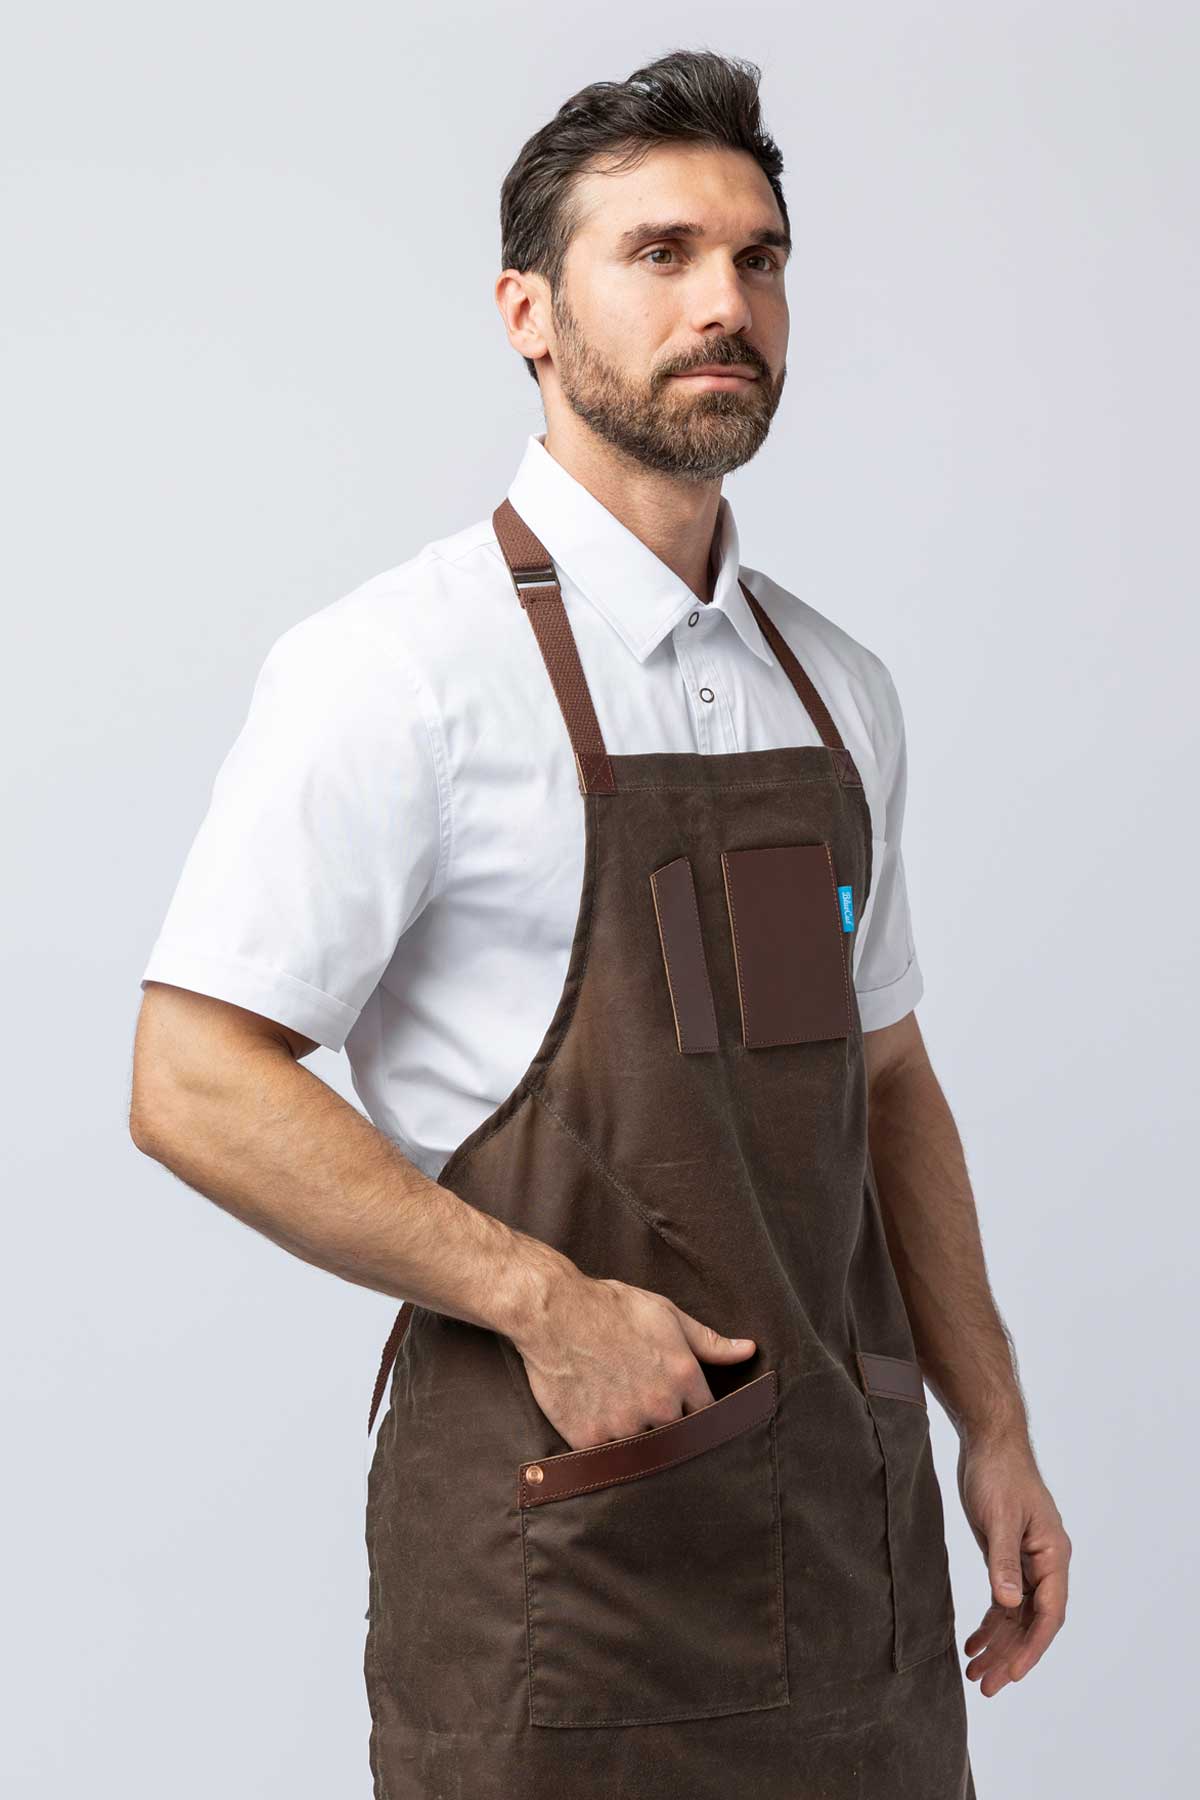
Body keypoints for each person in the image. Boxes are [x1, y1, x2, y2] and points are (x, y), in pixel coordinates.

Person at [130, 47, 1070, 1800]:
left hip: (854, 1581)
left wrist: (991, 1426)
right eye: (660, 254)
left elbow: (885, 1083)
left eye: (760, 257)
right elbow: (190, 1076)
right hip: (562, 1594)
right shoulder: (402, 671)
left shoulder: (837, 689)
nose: (726, 303)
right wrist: (539, 1300)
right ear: (530, 315)